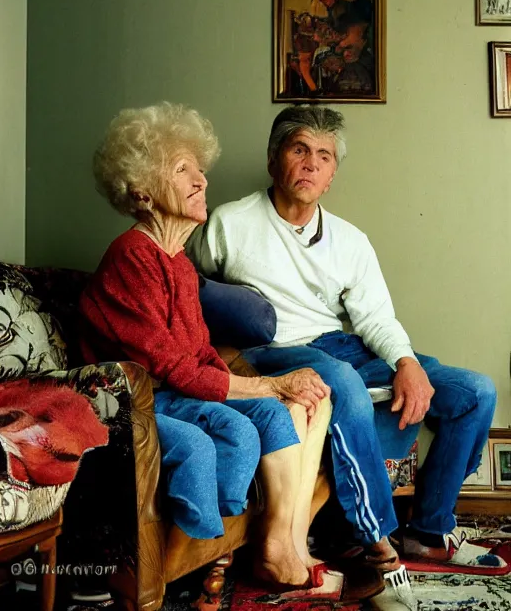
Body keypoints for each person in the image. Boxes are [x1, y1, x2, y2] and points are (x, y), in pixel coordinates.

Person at [79, 102, 379, 598]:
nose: (201, 181)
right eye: (182, 170)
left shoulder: (176, 261)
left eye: (201, 169)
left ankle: (286, 547)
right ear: (142, 189)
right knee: (240, 421)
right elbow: (171, 365)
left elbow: (198, 350)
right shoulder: (133, 255)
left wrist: (262, 388)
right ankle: (240, 557)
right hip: (134, 402)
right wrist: (266, 382)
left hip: (172, 390)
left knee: (281, 410)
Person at [187, 104, 504, 572]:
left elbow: (375, 317)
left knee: (475, 391)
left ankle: (428, 533)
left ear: (332, 173)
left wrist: (406, 363)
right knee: (342, 381)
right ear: (275, 158)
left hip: (339, 345)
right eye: (300, 149)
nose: (312, 163)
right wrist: (220, 353)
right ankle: (373, 534)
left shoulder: (350, 240)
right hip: (271, 352)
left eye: (325, 155)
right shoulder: (228, 225)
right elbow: (184, 289)